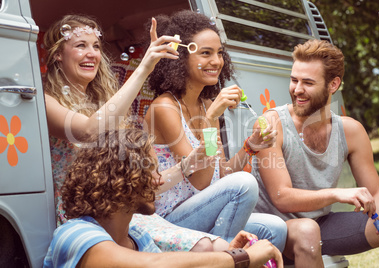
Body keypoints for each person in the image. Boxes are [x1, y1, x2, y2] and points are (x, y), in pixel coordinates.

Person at [43, 13, 235, 252]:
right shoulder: (45, 101)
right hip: (85, 214)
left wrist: (245, 149)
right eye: (81, 46)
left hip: (122, 210)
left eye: (96, 46)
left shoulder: (107, 105)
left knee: (222, 245)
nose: (92, 53)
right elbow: (88, 131)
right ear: (58, 54)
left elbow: (150, 184)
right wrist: (145, 66)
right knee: (209, 245)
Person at [144, 10, 287, 250]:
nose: (217, 61)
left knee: (275, 228)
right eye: (206, 53)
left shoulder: (206, 104)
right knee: (245, 182)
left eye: (220, 53)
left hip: (203, 208)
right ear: (180, 58)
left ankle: (222, 252)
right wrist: (210, 119)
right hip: (171, 219)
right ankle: (220, 260)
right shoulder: (164, 108)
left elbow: (220, 173)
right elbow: (200, 180)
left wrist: (250, 147)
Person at [252, 39, 379, 267]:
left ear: (333, 85)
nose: (297, 89)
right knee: (308, 230)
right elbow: (281, 197)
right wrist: (336, 194)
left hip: (322, 224)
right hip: (276, 228)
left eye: (308, 82)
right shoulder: (271, 124)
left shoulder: (351, 130)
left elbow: (375, 191)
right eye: (294, 80)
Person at [43, 128, 284, 268]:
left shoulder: (138, 239)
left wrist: (227, 253)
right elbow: (153, 266)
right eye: (153, 171)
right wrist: (239, 258)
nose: (160, 181)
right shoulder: (74, 234)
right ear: (122, 179)